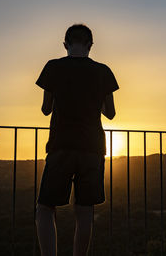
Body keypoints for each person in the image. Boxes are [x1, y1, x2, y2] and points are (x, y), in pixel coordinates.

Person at [35, 24, 119, 256]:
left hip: (61, 145)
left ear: (65, 44)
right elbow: (111, 113)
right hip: (93, 148)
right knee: (84, 212)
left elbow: (45, 109)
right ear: (90, 45)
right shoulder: (104, 71)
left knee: (45, 208)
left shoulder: (53, 67)